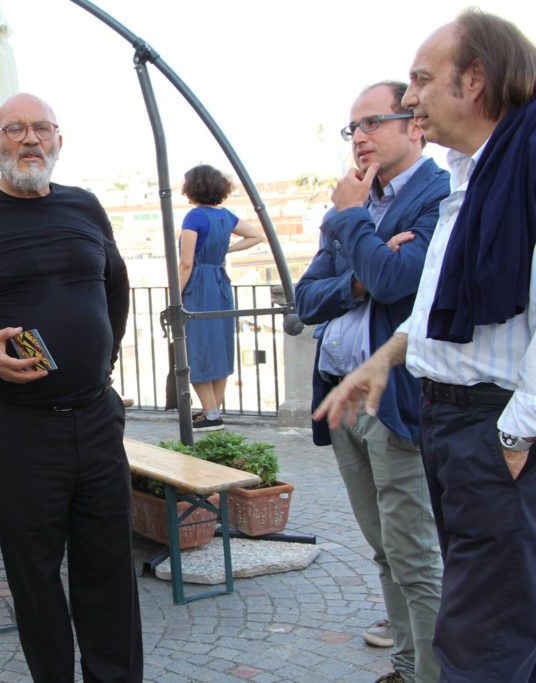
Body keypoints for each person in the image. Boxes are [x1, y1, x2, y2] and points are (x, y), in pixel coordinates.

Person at [315, 11, 536, 682]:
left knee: (483, 635)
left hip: (488, 426)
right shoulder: (475, 177)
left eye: (421, 80)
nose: (411, 98)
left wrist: (514, 435)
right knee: (489, 615)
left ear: (474, 81)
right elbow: (437, 308)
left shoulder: (519, 169)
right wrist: (388, 355)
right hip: (449, 420)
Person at [0, 93, 141, 682]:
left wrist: (104, 357)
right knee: (34, 577)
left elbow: (117, 286)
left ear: (59, 141)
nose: (31, 139)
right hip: (19, 428)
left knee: (109, 569)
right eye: (15, 129)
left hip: (95, 417)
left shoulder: (86, 208)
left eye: (43, 128)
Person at [296, 81, 447, 683]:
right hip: (339, 393)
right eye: (352, 128)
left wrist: (354, 227)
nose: (359, 137)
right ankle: (407, 666)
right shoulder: (356, 204)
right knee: (385, 548)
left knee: (414, 553)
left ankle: (433, 675)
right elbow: (308, 300)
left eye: (373, 122)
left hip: (394, 397)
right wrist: (359, 273)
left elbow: (397, 282)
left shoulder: (440, 194)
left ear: (414, 124)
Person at [177, 164, 263, 430]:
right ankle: (212, 410)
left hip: (199, 286)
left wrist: (174, 297)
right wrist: (227, 250)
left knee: (197, 348)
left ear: (192, 188)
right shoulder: (226, 216)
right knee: (219, 347)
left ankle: (211, 414)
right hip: (220, 284)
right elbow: (256, 236)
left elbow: (185, 264)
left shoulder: (194, 218)